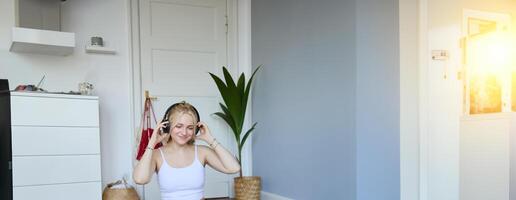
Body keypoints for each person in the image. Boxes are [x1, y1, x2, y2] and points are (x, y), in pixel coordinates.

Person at [133, 101, 240, 200]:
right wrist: (152, 142)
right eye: (179, 126)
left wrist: (210, 139)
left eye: (190, 128)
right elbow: (140, 179)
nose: (184, 132)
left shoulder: (202, 152)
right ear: (167, 127)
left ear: (196, 129)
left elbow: (234, 168)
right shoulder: (157, 155)